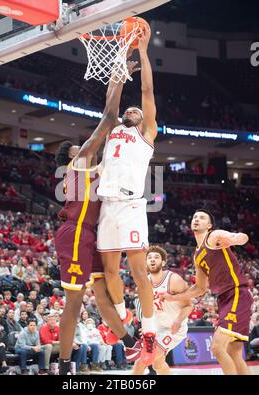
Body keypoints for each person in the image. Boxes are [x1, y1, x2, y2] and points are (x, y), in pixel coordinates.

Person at [55, 59, 140, 375]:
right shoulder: (76, 168)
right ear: (71, 157)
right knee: (74, 303)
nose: (84, 147)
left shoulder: (92, 169)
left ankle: (130, 342)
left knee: (102, 293)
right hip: (75, 232)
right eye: (79, 147)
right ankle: (64, 366)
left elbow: (113, 124)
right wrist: (118, 75)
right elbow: (107, 118)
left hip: (90, 234)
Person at [96, 28, 158, 364]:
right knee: (109, 272)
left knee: (138, 273)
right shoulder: (113, 128)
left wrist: (143, 52)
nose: (131, 111)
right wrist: (120, 61)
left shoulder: (146, 132)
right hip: (108, 207)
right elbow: (111, 102)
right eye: (129, 110)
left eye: (136, 111)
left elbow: (147, 90)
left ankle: (149, 332)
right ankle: (123, 315)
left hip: (132, 205)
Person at [164, 209, 254, 375]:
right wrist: (172, 297)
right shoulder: (197, 256)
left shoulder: (214, 236)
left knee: (217, 347)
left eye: (202, 217)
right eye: (194, 217)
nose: (197, 219)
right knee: (233, 351)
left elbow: (243, 237)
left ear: (209, 225)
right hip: (224, 299)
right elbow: (199, 288)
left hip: (236, 294)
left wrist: (234, 239)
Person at [133, 245, 192, 374]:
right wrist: (147, 326)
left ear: (163, 262)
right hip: (156, 327)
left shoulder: (174, 280)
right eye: (149, 258)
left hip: (174, 329)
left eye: (156, 257)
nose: (152, 260)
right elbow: (144, 309)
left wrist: (178, 321)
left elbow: (189, 305)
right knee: (157, 364)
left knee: (141, 361)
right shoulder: (143, 283)